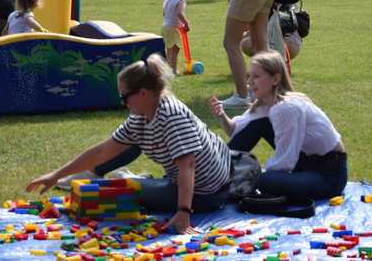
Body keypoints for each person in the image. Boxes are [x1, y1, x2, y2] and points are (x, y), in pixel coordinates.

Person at [28, 54, 232, 234]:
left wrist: (183, 212)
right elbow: (101, 152)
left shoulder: (171, 115)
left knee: (126, 193)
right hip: (188, 181)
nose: (122, 102)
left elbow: (188, 165)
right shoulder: (141, 116)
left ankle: (134, 179)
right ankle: (135, 179)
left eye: (124, 97)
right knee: (127, 183)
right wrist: (56, 175)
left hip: (206, 193)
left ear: (143, 93)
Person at [210, 50, 347, 200]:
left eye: (256, 76)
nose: (249, 82)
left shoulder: (286, 108)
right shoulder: (265, 105)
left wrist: (259, 174)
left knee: (261, 180)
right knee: (259, 124)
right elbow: (236, 131)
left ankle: (220, 181)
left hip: (328, 176)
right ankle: (217, 172)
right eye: (249, 76)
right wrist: (222, 115)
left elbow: (285, 161)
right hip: (305, 163)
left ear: (275, 79)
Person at [162, 0, 190, 74]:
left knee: (169, 49)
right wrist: (186, 23)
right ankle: (173, 70)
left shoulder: (167, 0)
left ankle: (168, 69)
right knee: (175, 49)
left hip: (165, 27)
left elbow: (164, 13)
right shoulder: (180, 0)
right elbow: (179, 13)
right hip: (173, 27)